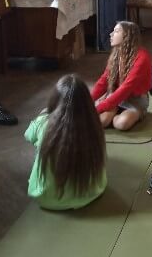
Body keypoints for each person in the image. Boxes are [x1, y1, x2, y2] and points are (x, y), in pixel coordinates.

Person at [25, 74, 107, 210]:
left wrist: (43, 114)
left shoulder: (44, 122)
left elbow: (28, 136)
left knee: (42, 143)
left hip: (47, 198)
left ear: (54, 100)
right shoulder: (93, 123)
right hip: (90, 194)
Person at [91, 21, 152, 130]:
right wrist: (88, 100)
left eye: (116, 31)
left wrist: (97, 109)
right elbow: (103, 81)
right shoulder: (116, 54)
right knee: (102, 122)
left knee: (121, 124)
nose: (111, 34)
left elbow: (126, 89)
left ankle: (121, 112)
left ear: (127, 36)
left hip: (135, 100)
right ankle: (114, 110)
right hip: (116, 95)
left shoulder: (142, 57)